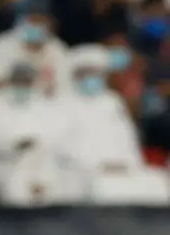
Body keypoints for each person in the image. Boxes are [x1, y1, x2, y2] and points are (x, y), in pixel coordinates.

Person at [57, 45, 170, 205]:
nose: (92, 79)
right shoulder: (65, 104)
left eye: (96, 74)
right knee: (105, 188)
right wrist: (100, 166)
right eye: (87, 74)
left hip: (122, 167)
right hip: (84, 171)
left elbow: (127, 138)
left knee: (158, 183)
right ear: (76, 76)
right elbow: (65, 147)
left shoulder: (112, 101)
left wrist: (128, 164)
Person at [0, 61, 70, 206]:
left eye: (27, 82)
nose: (22, 86)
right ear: (8, 82)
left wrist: (40, 177)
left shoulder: (44, 107)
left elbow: (53, 144)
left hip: (39, 166)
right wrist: (14, 146)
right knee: (18, 189)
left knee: (58, 186)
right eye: (18, 81)